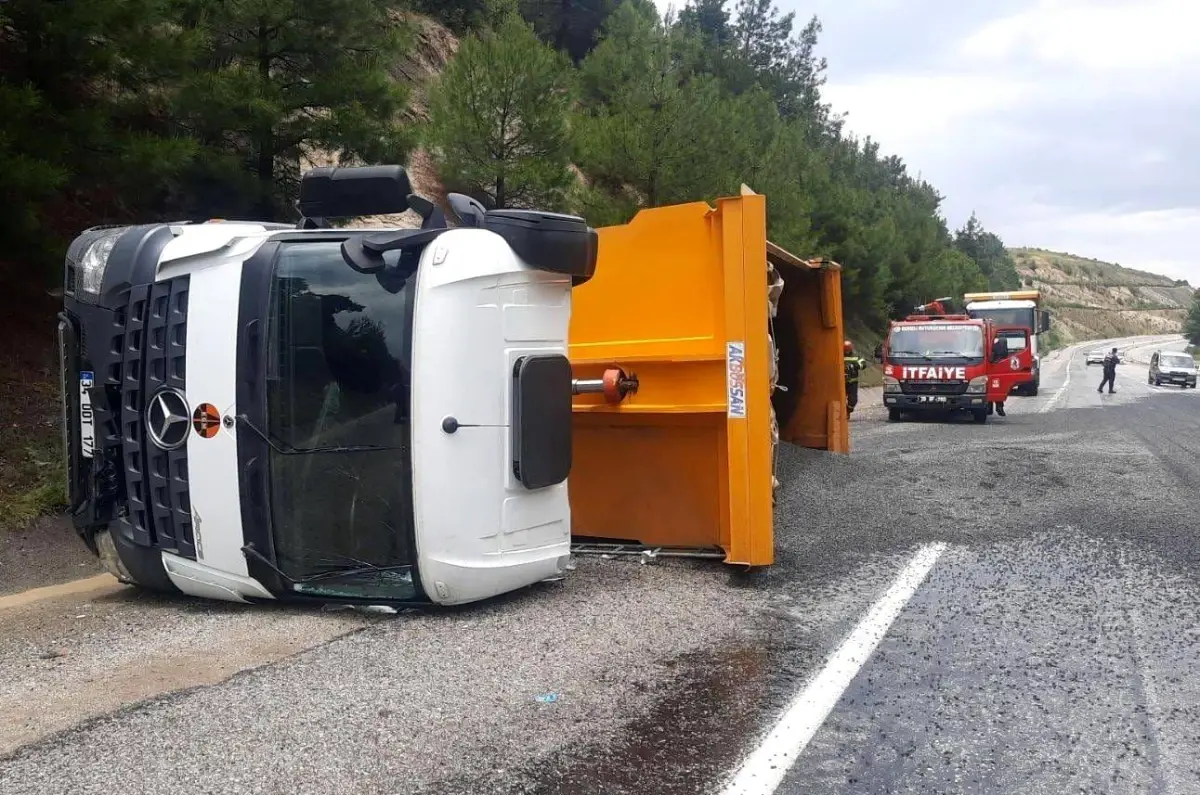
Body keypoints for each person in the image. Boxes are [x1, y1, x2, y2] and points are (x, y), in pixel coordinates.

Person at [844, 340, 867, 415]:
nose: (847, 352)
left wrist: (854, 366)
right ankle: (842, 412)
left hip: (852, 382)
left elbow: (863, 364)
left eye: (848, 350)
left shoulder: (856, 357)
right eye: (845, 350)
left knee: (853, 400)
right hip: (841, 383)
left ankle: (847, 411)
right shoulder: (838, 356)